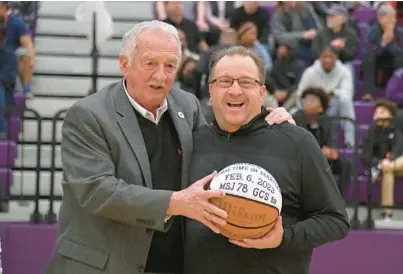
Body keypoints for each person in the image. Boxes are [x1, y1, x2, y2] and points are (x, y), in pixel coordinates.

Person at [46, 21, 294, 274]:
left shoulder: (187, 105)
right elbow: (97, 191)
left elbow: (220, 149)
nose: (160, 75)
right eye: (150, 63)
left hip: (170, 263)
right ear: (124, 64)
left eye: (169, 65)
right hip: (103, 265)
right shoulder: (89, 115)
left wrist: (267, 124)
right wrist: (176, 203)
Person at [184, 46, 349, 274]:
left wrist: (283, 237)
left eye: (246, 82)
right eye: (224, 81)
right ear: (210, 91)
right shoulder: (191, 144)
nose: (235, 90)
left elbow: (335, 221)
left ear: (262, 92)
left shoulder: (297, 142)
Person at [293, 87, 352, 199]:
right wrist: (318, 152)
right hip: (302, 160)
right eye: (306, 99)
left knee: (346, 165)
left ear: (320, 108)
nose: (307, 102)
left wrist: (331, 151)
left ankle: (338, 201)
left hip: (323, 160)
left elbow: (332, 140)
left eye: (312, 100)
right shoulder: (296, 118)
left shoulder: (327, 120)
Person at [296, 46, 355, 148]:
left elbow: (348, 94)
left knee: (346, 102)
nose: (327, 60)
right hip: (312, 106)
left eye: (331, 57)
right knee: (294, 112)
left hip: (334, 104)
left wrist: (332, 92)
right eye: (324, 57)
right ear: (320, 58)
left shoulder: (344, 71)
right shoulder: (310, 72)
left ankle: (350, 142)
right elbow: (300, 94)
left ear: (336, 58)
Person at [361, 99, 403, 221]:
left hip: (398, 164)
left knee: (389, 167)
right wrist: (380, 163)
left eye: (382, 111)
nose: (378, 114)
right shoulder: (371, 132)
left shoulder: (398, 131)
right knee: (387, 172)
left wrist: (388, 162)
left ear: (391, 115)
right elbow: (366, 156)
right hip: (383, 168)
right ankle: (387, 213)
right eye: (376, 112)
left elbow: (398, 150)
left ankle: (386, 166)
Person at [0, 1, 35, 96]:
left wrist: (31, 60)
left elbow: (28, 44)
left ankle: (26, 88)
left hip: (10, 58)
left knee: (25, 54)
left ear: (4, 8)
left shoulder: (16, 23)